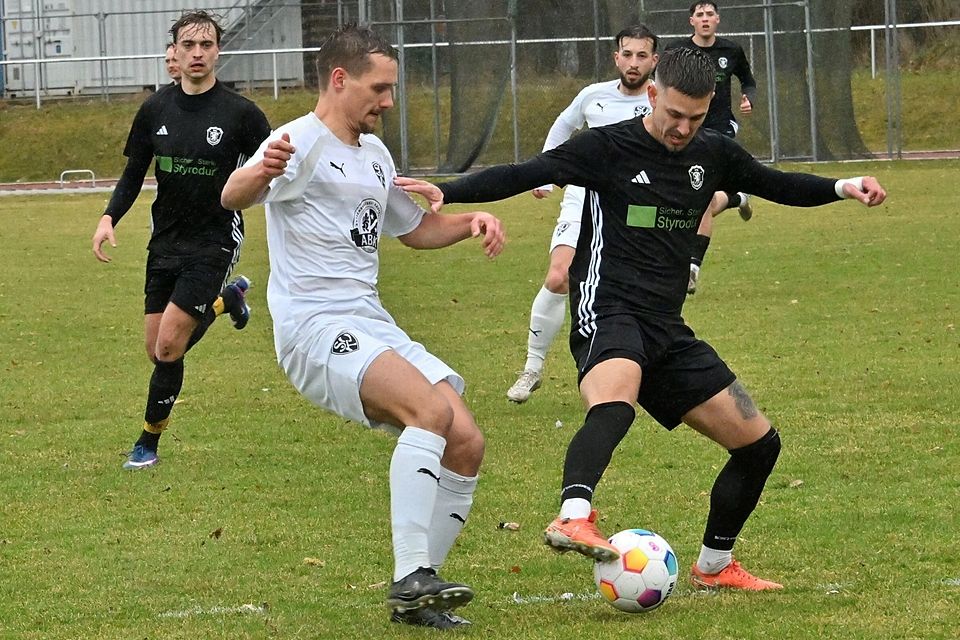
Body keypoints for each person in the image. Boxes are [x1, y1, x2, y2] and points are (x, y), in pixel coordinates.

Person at [397, 46, 886, 591]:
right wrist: (450, 190)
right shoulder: (607, 147)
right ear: (653, 94)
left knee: (758, 445)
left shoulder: (713, 152)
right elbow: (528, 171)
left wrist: (844, 187)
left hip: (666, 327)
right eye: (674, 114)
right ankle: (574, 515)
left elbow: (776, 183)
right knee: (615, 401)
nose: (682, 128)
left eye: (695, 117)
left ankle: (714, 566)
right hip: (607, 308)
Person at [220, 24, 504, 629]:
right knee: (428, 411)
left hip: (371, 321)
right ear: (340, 79)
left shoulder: (374, 155)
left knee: (466, 440)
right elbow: (232, 195)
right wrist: (263, 169)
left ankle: (419, 595)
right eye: (380, 88)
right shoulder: (298, 140)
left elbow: (414, 228)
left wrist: (471, 221)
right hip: (314, 326)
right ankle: (410, 576)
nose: (389, 102)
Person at [91, 10, 272, 471]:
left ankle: (147, 443)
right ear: (174, 51)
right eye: (188, 45)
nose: (197, 53)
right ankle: (226, 301)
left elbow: (275, 170)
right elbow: (134, 172)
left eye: (206, 45)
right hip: (165, 241)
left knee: (170, 346)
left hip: (215, 239)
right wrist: (109, 218)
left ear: (218, 51)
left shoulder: (242, 114)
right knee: (156, 349)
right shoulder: (155, 109)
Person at [506, 25, 658, 404]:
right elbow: (562, 126)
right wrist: (545, 173)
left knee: (631, 288)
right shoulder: (593, 96)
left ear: (654, 60)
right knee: (559, 276)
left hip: (635, 208)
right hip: (583, 199)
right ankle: (532, 368)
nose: (634, 62)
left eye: (642, 55)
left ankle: (630, 367)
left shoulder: (661, 100)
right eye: (627, 54)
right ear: (616, 57)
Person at [666, 1, 759, 294]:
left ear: (717, 19)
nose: (705, 19)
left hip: (720, 130)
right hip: (686, 130)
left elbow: (748, 81)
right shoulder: (677, 51)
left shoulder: (731, 50)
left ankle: (692, 268)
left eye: (709, 14)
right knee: (690, 198)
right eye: (700, 15)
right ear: (691, 21)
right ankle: (736, 198)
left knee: (702, 197)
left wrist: (749, 98)